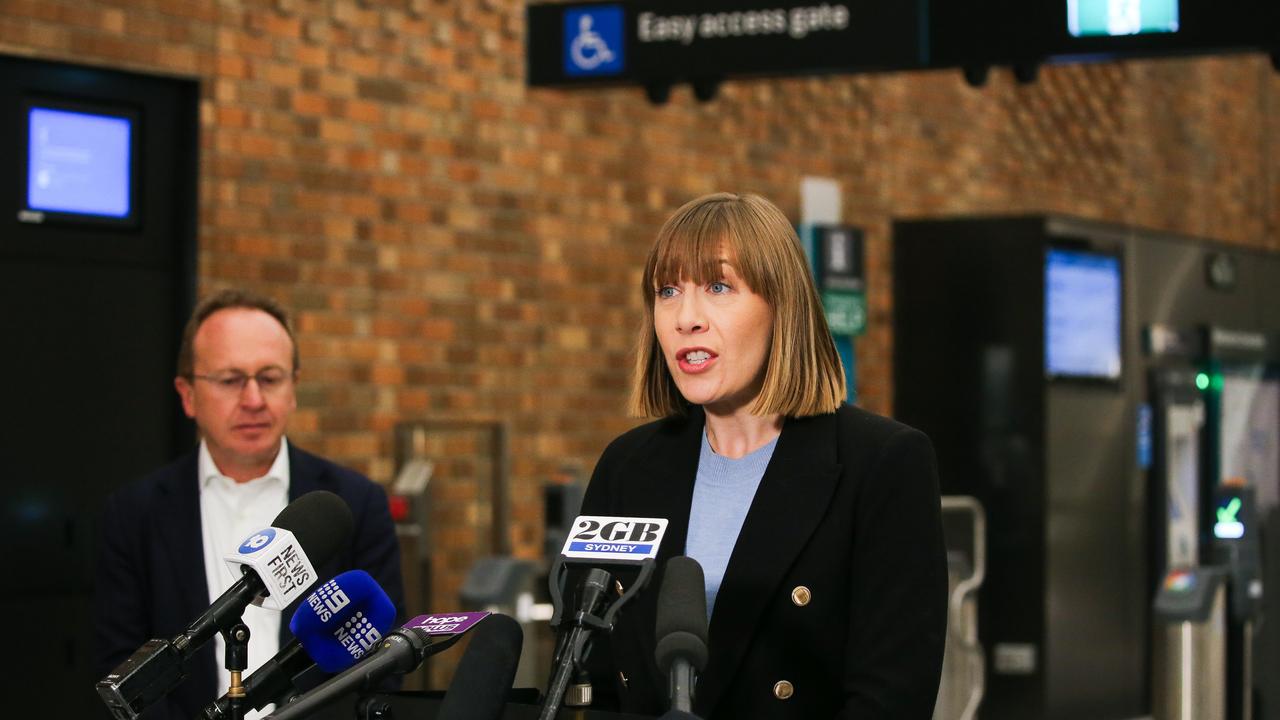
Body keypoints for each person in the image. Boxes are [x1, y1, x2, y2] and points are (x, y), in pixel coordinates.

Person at [581, 193, 947, 719]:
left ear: (783, 306)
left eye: (718, 286)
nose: (687, 317)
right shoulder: (627, 465)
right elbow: (589, 674)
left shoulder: (884, 462)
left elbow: (891, 697)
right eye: (667, 291)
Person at [94, 289, 405, 720]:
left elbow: (383, 661)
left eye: (270, 378)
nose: (254, 400)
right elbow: (120, 663)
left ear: (293, 388)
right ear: (187, 395)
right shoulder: (134, 513)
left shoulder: (355, 503)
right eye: (231, 379)